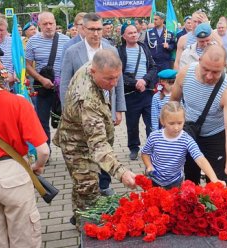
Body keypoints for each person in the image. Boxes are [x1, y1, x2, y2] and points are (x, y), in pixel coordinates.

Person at [0, 39, 49, 248]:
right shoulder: (18, 103)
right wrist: (37, 166)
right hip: (14, 172)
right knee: (25, 238)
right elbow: (43, 150)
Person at [53, 49, 137, 228]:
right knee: (88, 188)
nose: (114, 83)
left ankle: (78, 217)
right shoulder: (87, 98)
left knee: (81, 185)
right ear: (93, 71)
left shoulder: (94, 66)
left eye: (117, 77)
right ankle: (88, 230)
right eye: (109, 79)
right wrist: (121, 172)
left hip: (83, 135)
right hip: (78, 144)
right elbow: (98, 145)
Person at [60, 13, 126, 196]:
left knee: (106, 143)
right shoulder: (72, 51)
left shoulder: (111, 49)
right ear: (83, 28)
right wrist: (69, 112)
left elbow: (117, 82)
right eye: (92, 29)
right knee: (96, 149)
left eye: (99, 29)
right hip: (83, 115)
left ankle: (104, 185)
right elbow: (65, 84)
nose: (96, 33)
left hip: (105, 108)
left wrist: (118, 108)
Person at [171, 44, 227, 185]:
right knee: (190, 179)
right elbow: (174, 102)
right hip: (189, 134)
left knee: (218, 181)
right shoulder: (185, 73)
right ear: (199, 60)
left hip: (215, 137)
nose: (209, 76)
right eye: (205, 69)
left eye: (216, 72)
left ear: (224, 66)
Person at [142, 101, 226, 189]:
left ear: (184, 120)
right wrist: (149, 166)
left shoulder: (186, 139)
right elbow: (145, 153)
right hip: (154, 179)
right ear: (162, 121)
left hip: (175, 182)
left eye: (179, 123)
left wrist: (214, 179)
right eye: (171, 123)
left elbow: (200, 158)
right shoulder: (154, 136)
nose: (176, 127)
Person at [25, 12, 70, 146]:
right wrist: (41, 79)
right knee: (42, 120)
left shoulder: (66, 40)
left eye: (51, 23)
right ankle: (46, 151)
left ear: (55, 23)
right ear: (39, 25)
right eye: (45, 24)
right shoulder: (32, 41)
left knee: (67, 120)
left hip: (62, 88)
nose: (49, 26)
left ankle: (69, 150)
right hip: (43, 87)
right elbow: (27, 65)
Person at [118, 24, 157, 160]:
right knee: (132, 124)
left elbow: (153, 67)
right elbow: (119, 73)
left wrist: (145, 81)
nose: (134, 35)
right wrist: (135, 83)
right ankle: (134, 148)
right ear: (123, 36)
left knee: (151, 122)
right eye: (130, 33)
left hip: (146, 92)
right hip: (131, 94)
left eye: (135, 32)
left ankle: (151, 147)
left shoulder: (144, 47)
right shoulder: (120, 51)